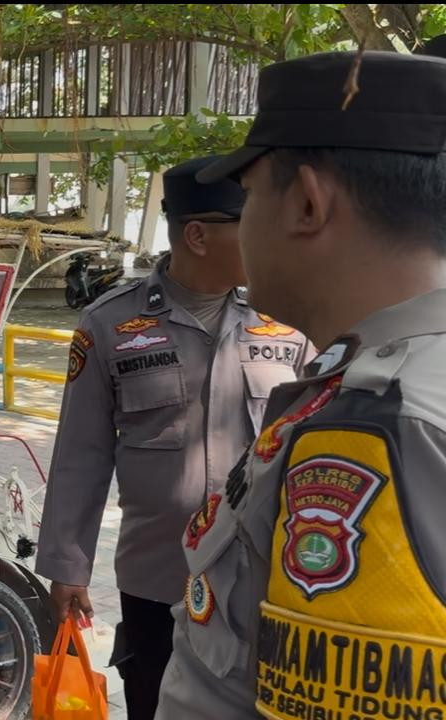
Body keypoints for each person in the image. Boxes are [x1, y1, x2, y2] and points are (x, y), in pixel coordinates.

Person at [157, 50, 446, 719]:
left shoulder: (375, 426)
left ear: (308, 204)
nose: (244, 217)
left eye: (251, 193)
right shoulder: (384, 385)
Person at [35, 156, 311, 719]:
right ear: (198, 235)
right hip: (158, 578)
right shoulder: (110, 324)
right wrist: (68, 565)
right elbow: (80, 454)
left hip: (265, 578)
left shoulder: (290, 319)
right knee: (153, 704)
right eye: (251, 219)